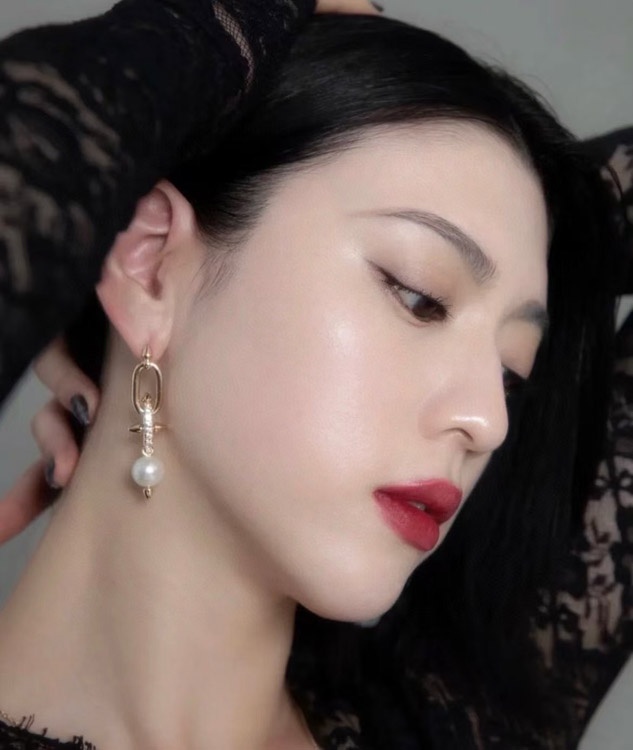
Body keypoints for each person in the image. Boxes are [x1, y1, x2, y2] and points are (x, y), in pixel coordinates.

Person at [0, 1, 630, 748]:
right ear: (149, 263)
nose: (487, 420)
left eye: (512, 372)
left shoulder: (458, 716)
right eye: (420, 297)